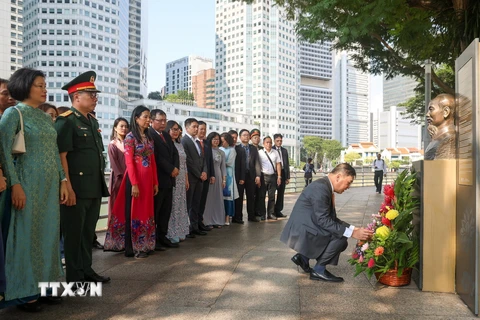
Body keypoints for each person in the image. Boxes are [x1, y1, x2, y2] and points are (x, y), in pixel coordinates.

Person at [0, 68, 68, 312]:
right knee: (25, 237)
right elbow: (5, 153)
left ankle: (45, 287)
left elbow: (53, 151)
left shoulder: (44, 116)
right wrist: (15, 185)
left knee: (48, 236)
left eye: (44, 85)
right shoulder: (13, 113)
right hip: (26, 183)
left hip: (49, 186)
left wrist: (63, 181)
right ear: (26, 86)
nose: (44, 88)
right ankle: (24, 292)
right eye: (39, 85)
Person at [55, 71, 110, 284]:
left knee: (88, 233)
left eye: (96, 94)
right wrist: (66, 185)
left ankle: (87, 269)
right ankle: (75, 276)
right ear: (76, 96)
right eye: (91, 94)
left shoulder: (92, 122)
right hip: (75, 188)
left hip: (93, 186)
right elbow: (61, 156)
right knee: (74, 234)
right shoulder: (66, 121)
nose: (95, 98)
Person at [280, 163, 373, 282]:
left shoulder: (324, 186)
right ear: (338, 177)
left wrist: (354, 229)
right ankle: (319, 270)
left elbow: (331, 219)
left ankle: (303, 258)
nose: (348, 187)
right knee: (340, 238)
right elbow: (324, 221)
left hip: (307, 226)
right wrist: (352, 233)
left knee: (342, 235)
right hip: (302, 232)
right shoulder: (321, 188)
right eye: (348, 182)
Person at [104, 106, 158, 259]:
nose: (149, 120)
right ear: (136, 118)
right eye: (146, 117)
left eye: (149, 117)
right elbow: (129, 162)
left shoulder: (149, 138)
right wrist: (134, 183)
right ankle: (135, 247)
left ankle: (147, 244)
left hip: (148, 181)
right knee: (135, 211)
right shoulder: (130, 138)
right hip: (135, 180)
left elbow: (152, 161)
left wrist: (155, 182)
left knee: (147, 211)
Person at [148, 109, 180, 250]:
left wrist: (176, 167)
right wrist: (170, 169)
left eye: (164, 120)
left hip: (169, 179)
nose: (162, 123)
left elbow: (175, 153)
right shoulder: (149, 135)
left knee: (166, 210)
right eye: (159, 120)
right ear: (151, 121)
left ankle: (163, 236)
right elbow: (156, 156)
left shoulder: (166, 136)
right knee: (157, 210)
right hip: (158, 179)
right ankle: (154, 239)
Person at [181, 118, 208, 237]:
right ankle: (187, 229)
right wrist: (199, 174)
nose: (196, 129)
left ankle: (195, 226)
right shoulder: (184, 141)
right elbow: (188, 161)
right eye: (194, 126)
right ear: (187, 128)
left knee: (197, 203)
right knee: (189, 204)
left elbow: (203, 158)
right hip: (191, 177)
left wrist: (205, 172)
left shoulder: (197, 141)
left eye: (197, 126)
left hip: (200, 177)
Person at [166, 121, 190, 242]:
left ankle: (181, 229)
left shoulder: (179, 144)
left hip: (181, 178)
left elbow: (184, 164)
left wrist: (186, 179)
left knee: (181, 204)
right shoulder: (166, 144)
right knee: (173, 205)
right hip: (172, 177)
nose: (176, 131)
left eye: (177, 129)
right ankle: (171, 232)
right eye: (173, 129)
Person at [236, 129, 262, 222]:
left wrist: (258, 176)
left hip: (251, 176)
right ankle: (238, 216)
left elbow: (257, 163)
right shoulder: (237, 149)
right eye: (244, 135)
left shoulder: (253, 148)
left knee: (251, 197)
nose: (246, 137)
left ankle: (251, 216)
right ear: (240, 137)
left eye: (247, 135)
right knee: (239, 197)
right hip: (240, 177)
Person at [203, 132, 226, 227]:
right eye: (214, 139)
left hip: (218, 176)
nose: (216, 141)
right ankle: (207, 221)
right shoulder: (206, 150)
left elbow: (223, 167)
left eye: (217, 139)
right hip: (209, 176)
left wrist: (224, 180)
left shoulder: (221, 152)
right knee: (208, 199)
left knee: (217, 199)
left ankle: (217, 220)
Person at [108, 117, 129, 219]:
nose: (124, 128)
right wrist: (120, 177)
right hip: (118, 179)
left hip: (130, 178)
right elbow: (114, 164)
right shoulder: (113, 145)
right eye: (121, 126)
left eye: (126, 126)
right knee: (117, 204)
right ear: (115, 128)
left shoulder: (129, 143)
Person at [425, 93, 456, 160]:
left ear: (445, 112)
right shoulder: (440, 138)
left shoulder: (449, 139)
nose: (427, 114)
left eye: (431, 109)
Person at [258, 136, 282, 221]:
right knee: (262, 196)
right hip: (263, 176)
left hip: (272, 176)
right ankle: (262, 214)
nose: (269, 144)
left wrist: (279, 176)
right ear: (263, 143)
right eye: (267, 142)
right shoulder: (259, 152)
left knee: (272, 196)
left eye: (270, 142)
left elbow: (278, 164)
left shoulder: (275, 152)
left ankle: (271, 213)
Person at [197, 121, 215, 231]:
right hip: (197, 176)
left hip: (207, 175)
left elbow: (210, 161)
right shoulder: (194, 142)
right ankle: (194, 224)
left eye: (205, 129)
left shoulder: (207, 143)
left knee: (203, 200)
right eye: (201, 129)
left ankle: (200, 222)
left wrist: (211, 174)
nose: (203, 131)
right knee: (196, 201)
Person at [220, 132, 238, 225]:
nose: (223, 143)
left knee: (228, 197)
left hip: (229, 176)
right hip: (219, 175)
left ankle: (227, 216)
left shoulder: (232, 150)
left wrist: (219, 163)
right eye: (221, 141)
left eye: (224, 141)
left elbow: (229, 163)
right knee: (220, 197)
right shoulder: (219, 149)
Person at [228, 130, 245, 224]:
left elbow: (243, 164)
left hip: (238, 177)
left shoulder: (240, 149)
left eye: (235, 137)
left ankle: (237, 216)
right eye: (232, 137)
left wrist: (242, 177)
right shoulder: (223, 147)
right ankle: (226, 216)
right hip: (227, 176)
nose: (234, 139)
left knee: (239, 197)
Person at [273, 133, 290, 218]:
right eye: (277, 141)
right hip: (274, 174)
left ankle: (278, 210)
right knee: (272, 193)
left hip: (283, 173)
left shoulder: (284, 150)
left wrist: (287, 177)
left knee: (281, 193)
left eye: (280, 141)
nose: (279, 142)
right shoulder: (271, 149)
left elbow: (287, 164)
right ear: (274, 141)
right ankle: (271, 211)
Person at [250, 129, 265, 219]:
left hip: (261, 174)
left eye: (258, 137)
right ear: (251, 138)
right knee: (252, 194)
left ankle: (259, 210)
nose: (257, 139)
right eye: (255, 137)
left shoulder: (262, 149)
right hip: (252, 175)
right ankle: (253, 212)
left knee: (260, 194)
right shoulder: (250, 148)